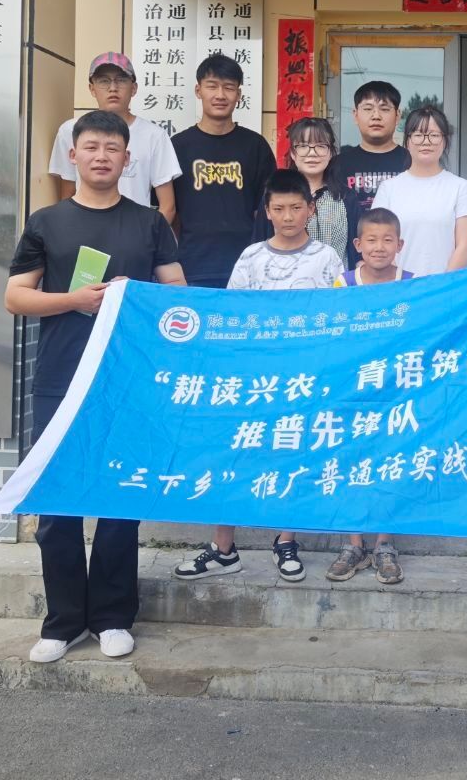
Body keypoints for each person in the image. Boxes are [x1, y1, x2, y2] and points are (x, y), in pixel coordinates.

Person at [6, 109, 184, 664]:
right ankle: (62, 622)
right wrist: (75, 300)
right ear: (73, 155)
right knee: (57, 500)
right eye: (91, 147)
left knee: (118, 497)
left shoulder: (149, 223)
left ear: (128, 160)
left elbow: (178, 295)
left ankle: (112, 616)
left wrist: (138, 297)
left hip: (128, 380)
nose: (102, 156)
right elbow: (16, 296)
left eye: (112, 148)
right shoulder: (46, 222)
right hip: (60, 376)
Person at [175, 170, 344, 585]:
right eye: (279, 208)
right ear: (266, 212)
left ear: (311, 209)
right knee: (235, 453)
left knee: (292, 453)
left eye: (296, 208)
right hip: (254, 377)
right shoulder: (251, 257)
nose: (288, 217)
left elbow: (341, 317)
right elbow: (233, 317)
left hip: (304, 378)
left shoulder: (327, 258)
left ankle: (286, 541)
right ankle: (223, 548)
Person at [325, 206, 413, 584]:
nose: (379, 247)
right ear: (358, 244)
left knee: (390, 463)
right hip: (352, 391)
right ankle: (352, 544)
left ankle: (384, 544)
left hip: (395, 393)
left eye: (387, 240)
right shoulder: (343, 284)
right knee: (350, 463)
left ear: (400, 245)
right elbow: (332, 334)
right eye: (372, 240)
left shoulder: (414, 284)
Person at [170, 54, 277, 287]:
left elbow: (266, 211)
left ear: (238, 95)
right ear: (198, 90)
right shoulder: (177, 146)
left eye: (229, 87)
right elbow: (170, 210)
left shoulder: (255, 146)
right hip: (191, 266)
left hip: (246, 266)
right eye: (212, 86)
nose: (220, 95)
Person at [47, 52, 181, 224]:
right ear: (92, 88)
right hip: (85, 233)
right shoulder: (70, 130)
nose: (113, 88)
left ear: (134, 88)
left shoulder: (155, 135)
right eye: (104, 81)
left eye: (121, 80)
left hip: (135, 233)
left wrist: (147, 237)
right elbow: (67, 195)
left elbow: (168, 206)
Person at [372, 104, 467, 276]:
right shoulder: (388, 188)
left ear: (445, 141)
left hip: (444, 285)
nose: (426, 142)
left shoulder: (460, 187)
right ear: (407, 141)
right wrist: (396, 282)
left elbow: (464, 246)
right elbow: (379, 241)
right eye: (418, 135)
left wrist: (442, 285)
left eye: (434, 135)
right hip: (399, 285)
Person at [266, 116, 362, 269]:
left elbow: (358, 252)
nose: (312, 153)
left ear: (331, 152)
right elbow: (261, 244)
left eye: (321, 145)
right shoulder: (276, 193)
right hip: (286, 281)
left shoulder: (345, 197)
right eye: (303, 146)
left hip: (336, 282)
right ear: (293, 153)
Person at [336, 80, 410, 209]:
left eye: (384, 109)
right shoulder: (339, 165)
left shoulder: (411, 162)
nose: (376, 116)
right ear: (355, 115)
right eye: (368, 109)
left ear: (397, 116)